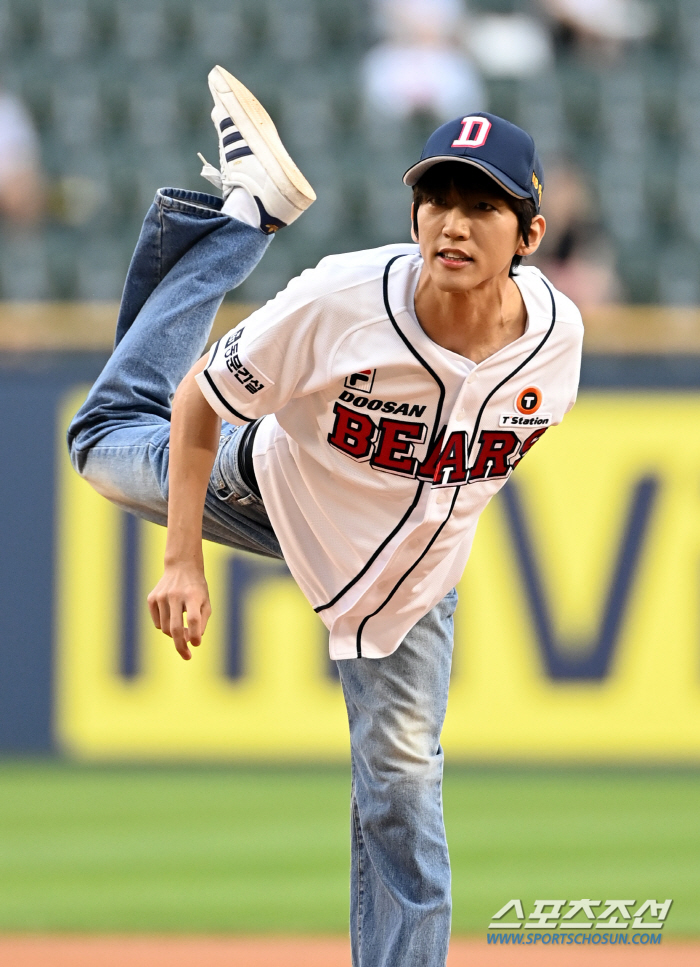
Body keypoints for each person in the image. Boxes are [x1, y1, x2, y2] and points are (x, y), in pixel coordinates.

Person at [67, 68, 583, 967]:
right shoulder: (341, 300)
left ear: (531, 233)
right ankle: (242, 220)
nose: (454, 223)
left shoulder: (557, 341)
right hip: (271, 488)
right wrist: (183, 561)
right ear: (414, 213)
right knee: (106, 437)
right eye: (437, 199)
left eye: (484, 206)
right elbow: (201, 403)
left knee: (402, 795)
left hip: (406, 583)